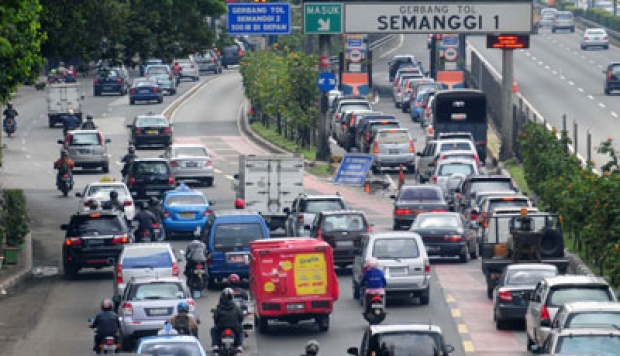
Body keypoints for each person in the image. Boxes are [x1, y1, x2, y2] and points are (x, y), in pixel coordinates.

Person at [211, 288, 244, 353]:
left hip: (221, 327)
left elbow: (215, 318)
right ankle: (239, 346)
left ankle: (215, 345)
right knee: (240, 331)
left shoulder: (219, 307)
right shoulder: (236, 307)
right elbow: (241, 317)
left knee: (214, 330)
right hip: (234, 327)